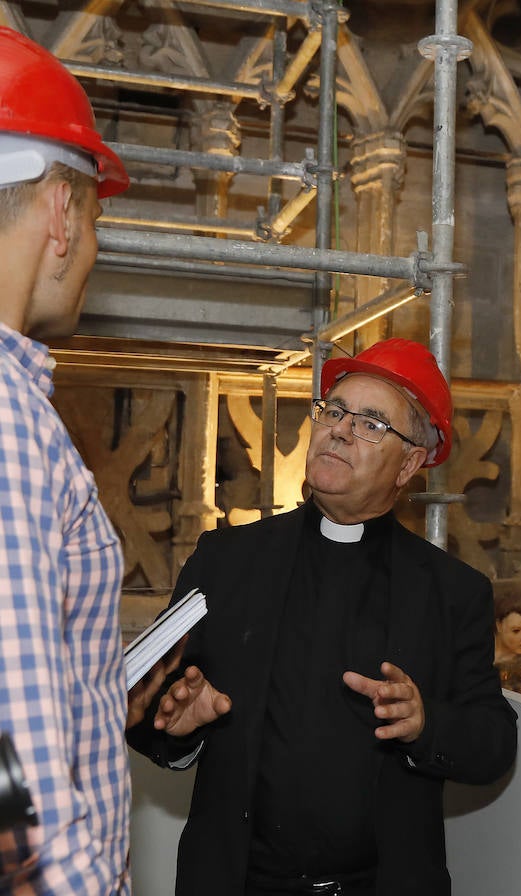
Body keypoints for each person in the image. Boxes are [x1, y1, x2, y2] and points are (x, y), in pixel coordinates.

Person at [127, 338, 518, 896]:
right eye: (334, 410)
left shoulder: (453, 593)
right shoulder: (225, 562)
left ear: (409, 464)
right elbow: (147, 709)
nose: (340, 429)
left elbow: (493, 743)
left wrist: (426, 722)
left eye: (371, 423)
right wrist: (177, 728)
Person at [0, 25, 139, 893]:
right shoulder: (8, 419)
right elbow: (25, 805)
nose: (92, 250)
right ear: (60, 211)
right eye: (94, 217)